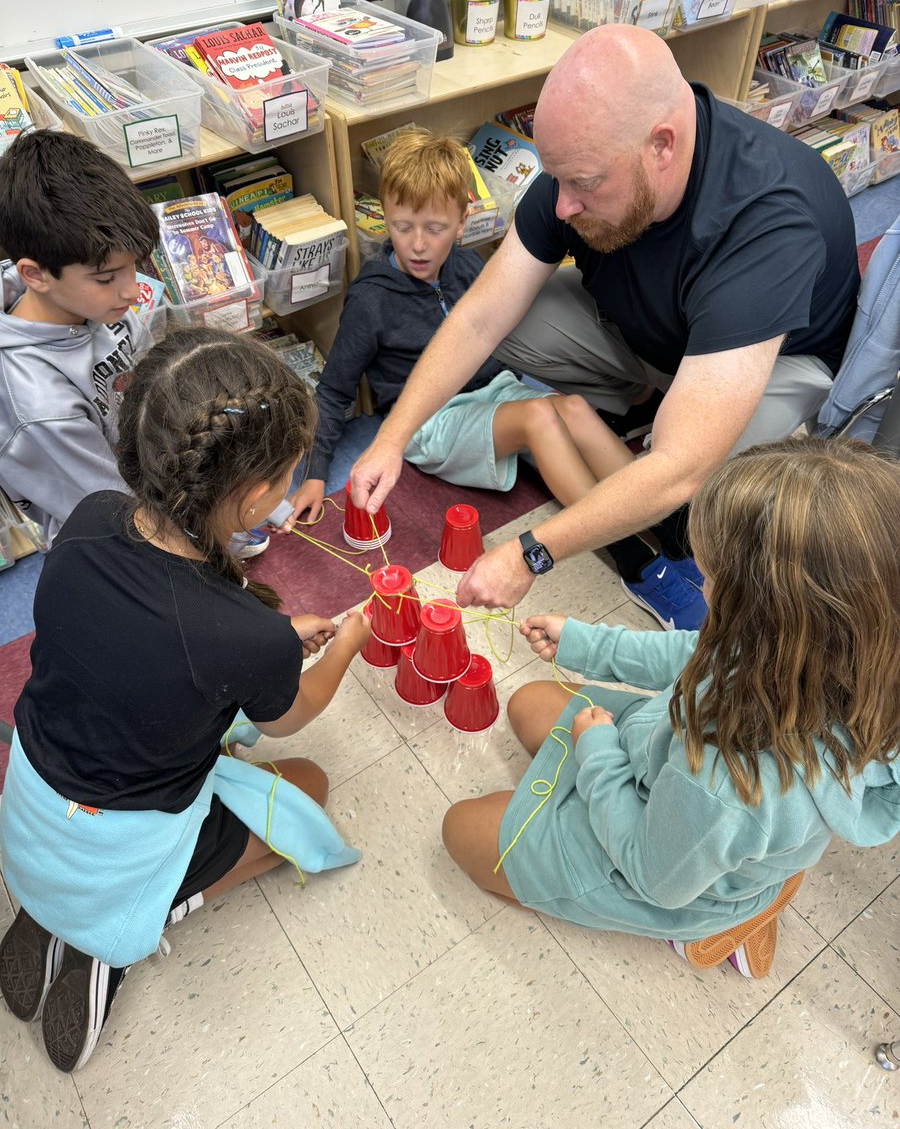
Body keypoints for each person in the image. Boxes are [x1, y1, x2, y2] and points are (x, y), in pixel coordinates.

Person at [350, 24, 860, 615]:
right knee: (512, 312)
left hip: (773, 364)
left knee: (710, 499)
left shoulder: (765, 223)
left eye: (585, 184)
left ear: (662, 146)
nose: (563, 205)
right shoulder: (583, 166)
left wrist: (530, 553)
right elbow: (481, 317)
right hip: (660, 336)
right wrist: (392, 438)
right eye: (556, 178)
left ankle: (664, 429)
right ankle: (643, 402)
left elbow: (679, 467)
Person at [0, 328, 371, 1072]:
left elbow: (152, 646)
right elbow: (291, 714)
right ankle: (128, 927)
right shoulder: (242, 637)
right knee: (309, 789)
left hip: (32, 802)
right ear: (255, 497)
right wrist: (353, 637)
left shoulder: (91, 517)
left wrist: (266, 637)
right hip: (120, 845)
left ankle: (49, 911)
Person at [441, 437, 900, 979]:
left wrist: (598, 755)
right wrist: (587, 645)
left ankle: (711, 928)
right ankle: (749, 883)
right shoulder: (834, 655)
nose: (699, 584)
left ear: (765, 614)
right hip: (665, 774)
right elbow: (696, 655)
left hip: (661, 865)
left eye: (709, 578)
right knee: (529, 702)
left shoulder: (726, 778)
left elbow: (654, 873)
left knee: (459, 830)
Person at [287, 130, 704, 624]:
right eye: (402, 227)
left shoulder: (467, 266)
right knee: (539, 417)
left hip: (493, 392)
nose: (418, 245)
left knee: (570, 407)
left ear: (463, 223)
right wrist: (314, 475)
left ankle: (675, 525)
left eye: (435, 228)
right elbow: (333, 392)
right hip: (427, 423)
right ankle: (636, 561)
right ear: (384, 220)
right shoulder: (370, 298)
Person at [0, 130, 274, 558]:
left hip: (160, 487)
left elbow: (158, 389)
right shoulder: (38, 406)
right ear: (35, 274)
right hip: (118, 542)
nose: (132, 292)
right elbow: (115, 511)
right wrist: (204, 535)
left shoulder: (90, 300)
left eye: (134, 266)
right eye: (108, 277)